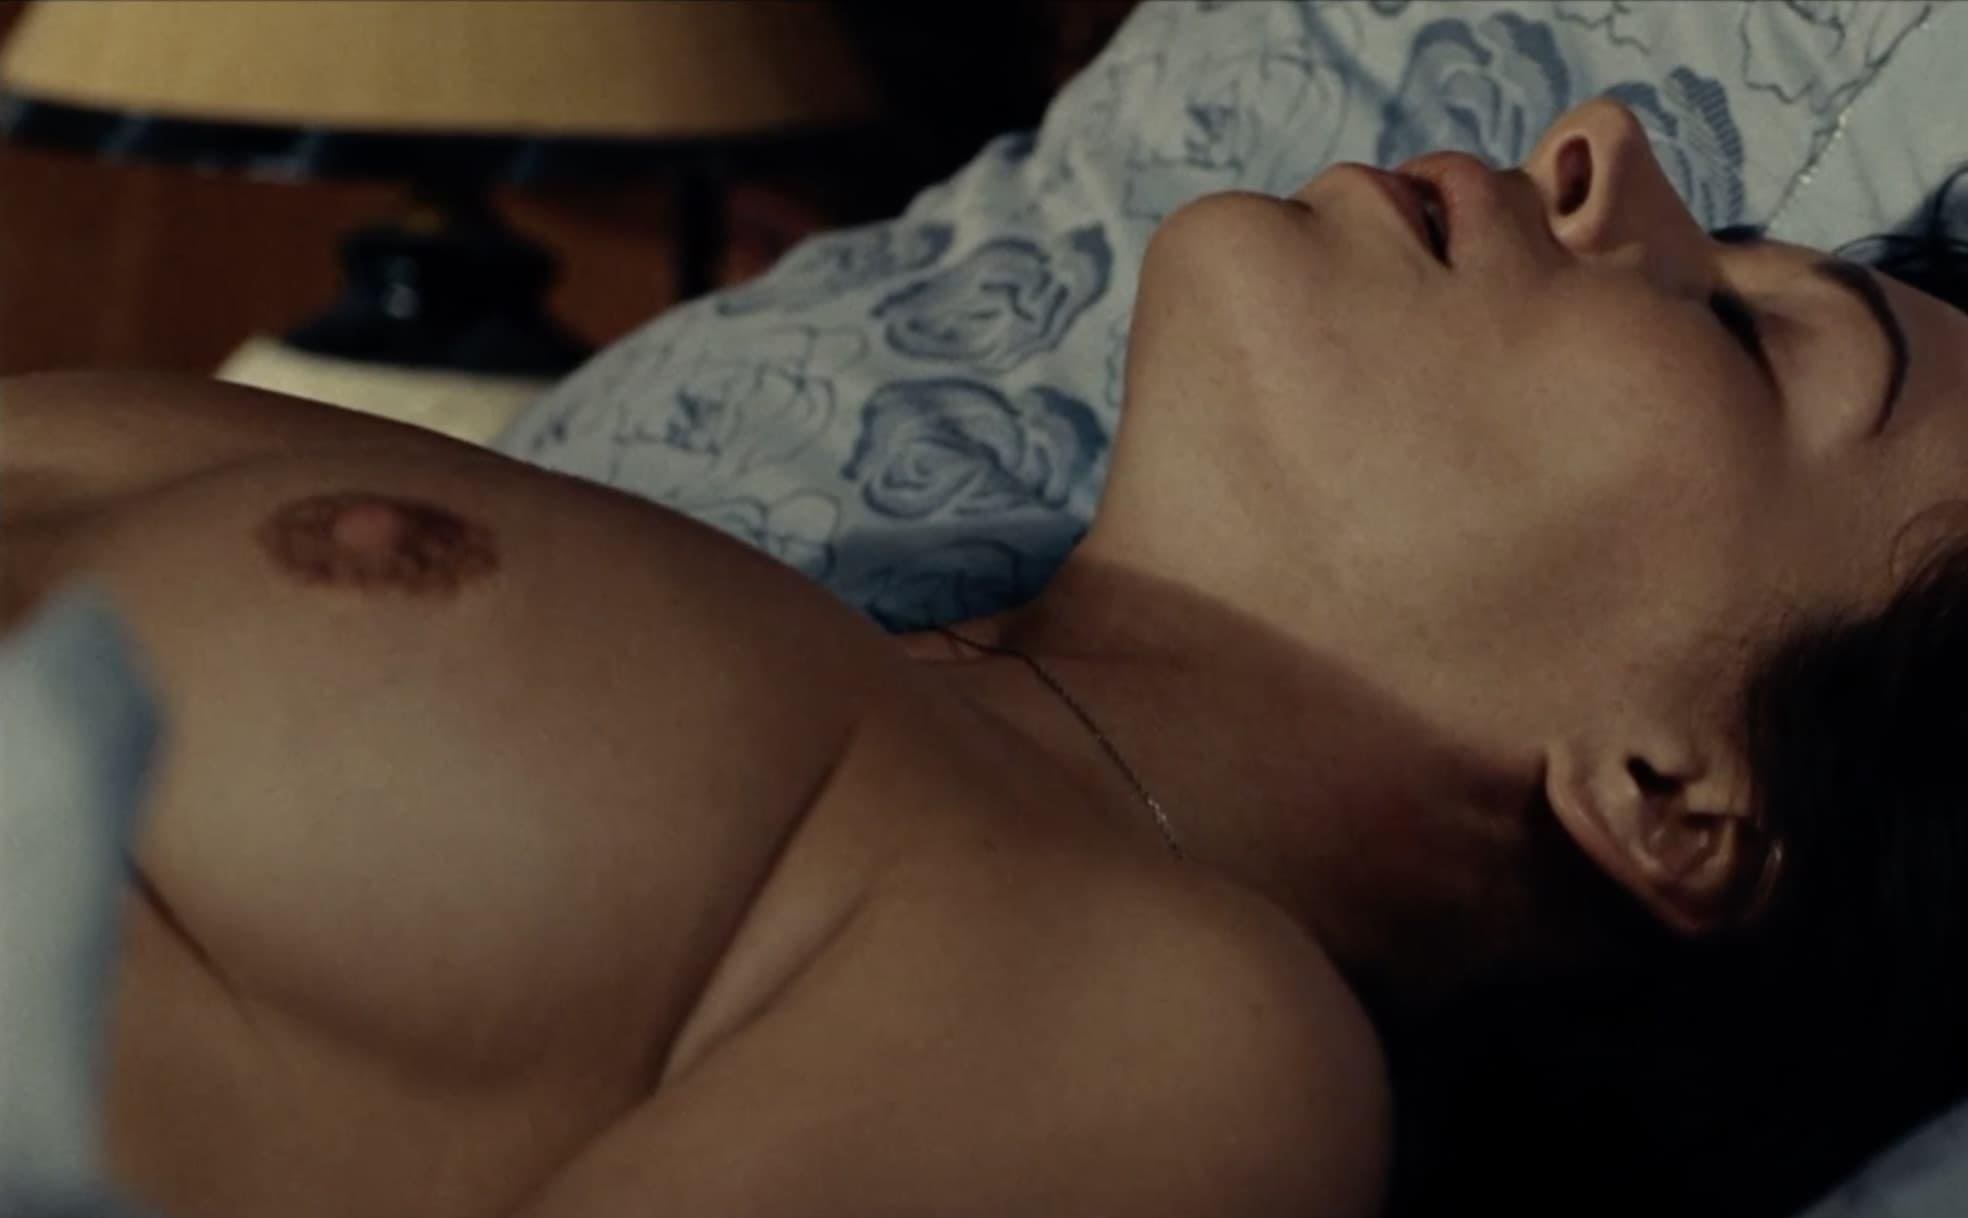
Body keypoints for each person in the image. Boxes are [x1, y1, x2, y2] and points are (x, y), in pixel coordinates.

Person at [2, 95, 1965, 1218]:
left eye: (1746, 335)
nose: (1601, 147)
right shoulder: (803, 669)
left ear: (1669, 796)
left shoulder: (1184, 1041)